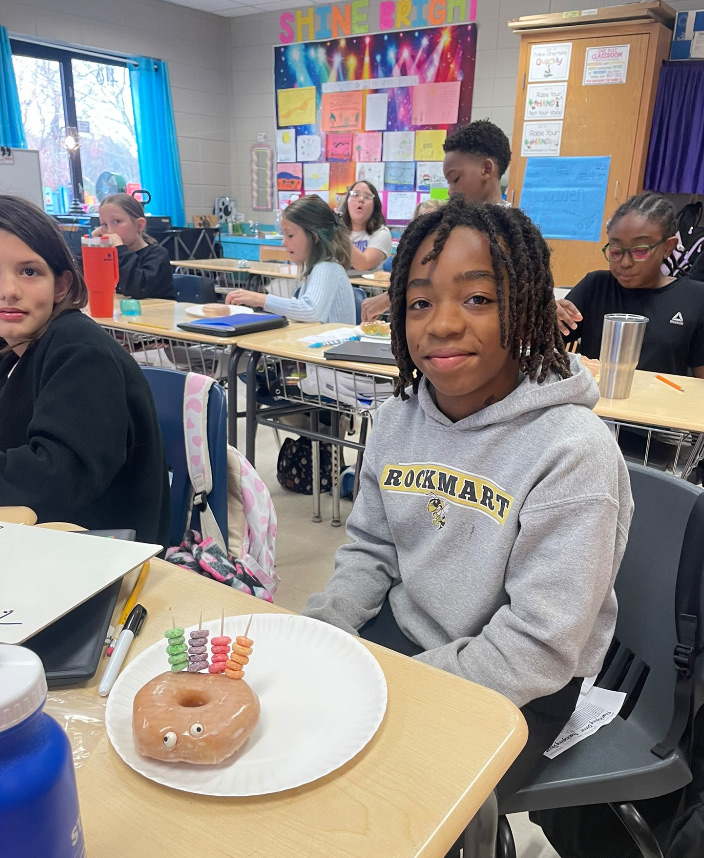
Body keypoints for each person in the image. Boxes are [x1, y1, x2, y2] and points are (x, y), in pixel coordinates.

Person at [305, 197, 632, 806]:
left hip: (521, 686)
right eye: (420, 302)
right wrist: (327, 631)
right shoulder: (397, 418)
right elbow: (372, 548)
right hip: (408, 635)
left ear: (531, 308)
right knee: (300, 739)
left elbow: (539, 644)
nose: (443, 324)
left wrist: (399, 688)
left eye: (478, 299)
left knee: (379, 799)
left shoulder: (572, 450)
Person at [0, 195, 171, 545]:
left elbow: (57, 480)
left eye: (29, 271)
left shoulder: (79, 350)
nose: (8, 291)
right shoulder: (13, 349)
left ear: (61, 285)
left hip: (98, 555)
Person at [557, 192, 704, 378]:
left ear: (668, 247)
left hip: (659, 405)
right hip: (594, 403)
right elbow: (543, 345)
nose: (625, 263)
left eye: (640, 251)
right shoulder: (595, 286)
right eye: (616, 251)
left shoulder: (695, 298)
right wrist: (546, 318)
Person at [225, 195, 356, 324]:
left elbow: (310, 311)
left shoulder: (327, 267)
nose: (284, 242)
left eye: (290, 235)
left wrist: (259, 299)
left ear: (314, 237)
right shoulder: (317, 268)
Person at [361, 198, 445, 323]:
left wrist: (389, 297)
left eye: (435, 222)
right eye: (421, 222)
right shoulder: (411, 255)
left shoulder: (451, 255)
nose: (427, 229)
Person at [92, 193, 175, 300]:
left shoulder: (157, 255)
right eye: (104, 225)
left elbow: (138, 288)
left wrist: (120, 250)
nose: (109, 231)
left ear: (139, 225)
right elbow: (78, 278)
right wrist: (90, 247)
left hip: (156, 314)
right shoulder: (109, 256)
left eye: (117, 221)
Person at [442, 118, 512, 207]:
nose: (450, 192)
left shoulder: (511, 220)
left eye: (455, 179)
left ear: (487, 169)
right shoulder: (454, 218)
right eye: (449, 182)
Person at [340, 181, 393, 274]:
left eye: (367, 196)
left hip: (366, 287)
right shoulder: (336, 229)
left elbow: (363, 265)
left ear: (374, 206)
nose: (361, 199)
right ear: (347, 202)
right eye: (355, 194)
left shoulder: (382, 232)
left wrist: (338, 233)